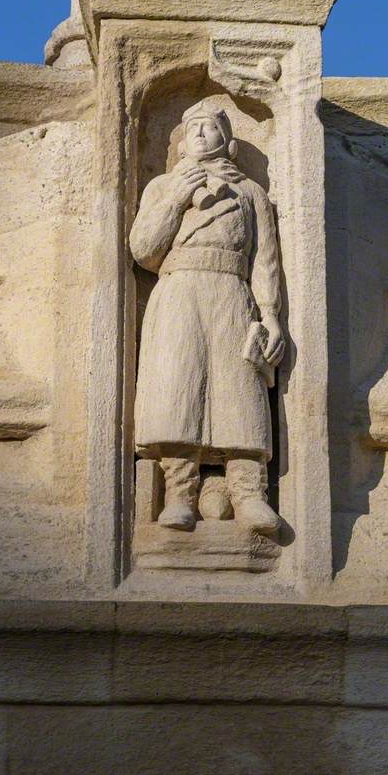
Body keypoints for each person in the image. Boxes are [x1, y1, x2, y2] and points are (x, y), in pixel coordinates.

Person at [130, 99, 284, 533]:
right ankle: (180, 493)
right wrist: (178, 198)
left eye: (211, 126)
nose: (200, 132)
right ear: (180, 143)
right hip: (180, 290)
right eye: (192, 126)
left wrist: (270, 314)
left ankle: (249, 493)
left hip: (232, 293)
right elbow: (144, 251)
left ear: (229, 143)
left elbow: (265, 261)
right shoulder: (162, 186)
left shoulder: (250, 192)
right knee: (179, 386)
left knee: (240, 390)